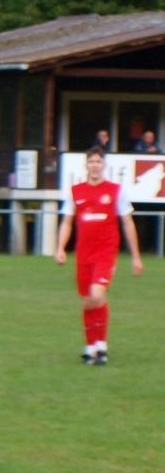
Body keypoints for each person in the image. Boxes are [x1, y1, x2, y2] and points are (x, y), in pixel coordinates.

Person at [55, 146, 143, 365]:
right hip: (83, 253)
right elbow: (67, 221)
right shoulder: (75, 191)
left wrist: (136, 256)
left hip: (105, 251)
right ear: (86, 165)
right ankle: (90, 348)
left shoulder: (116, 191)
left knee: (97, 295)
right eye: (91, 161)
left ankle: (101, 346)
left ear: (104, 165)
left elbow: (127, 222)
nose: (95, 165)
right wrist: (60, 248)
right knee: (87, 301)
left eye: (98, 162)